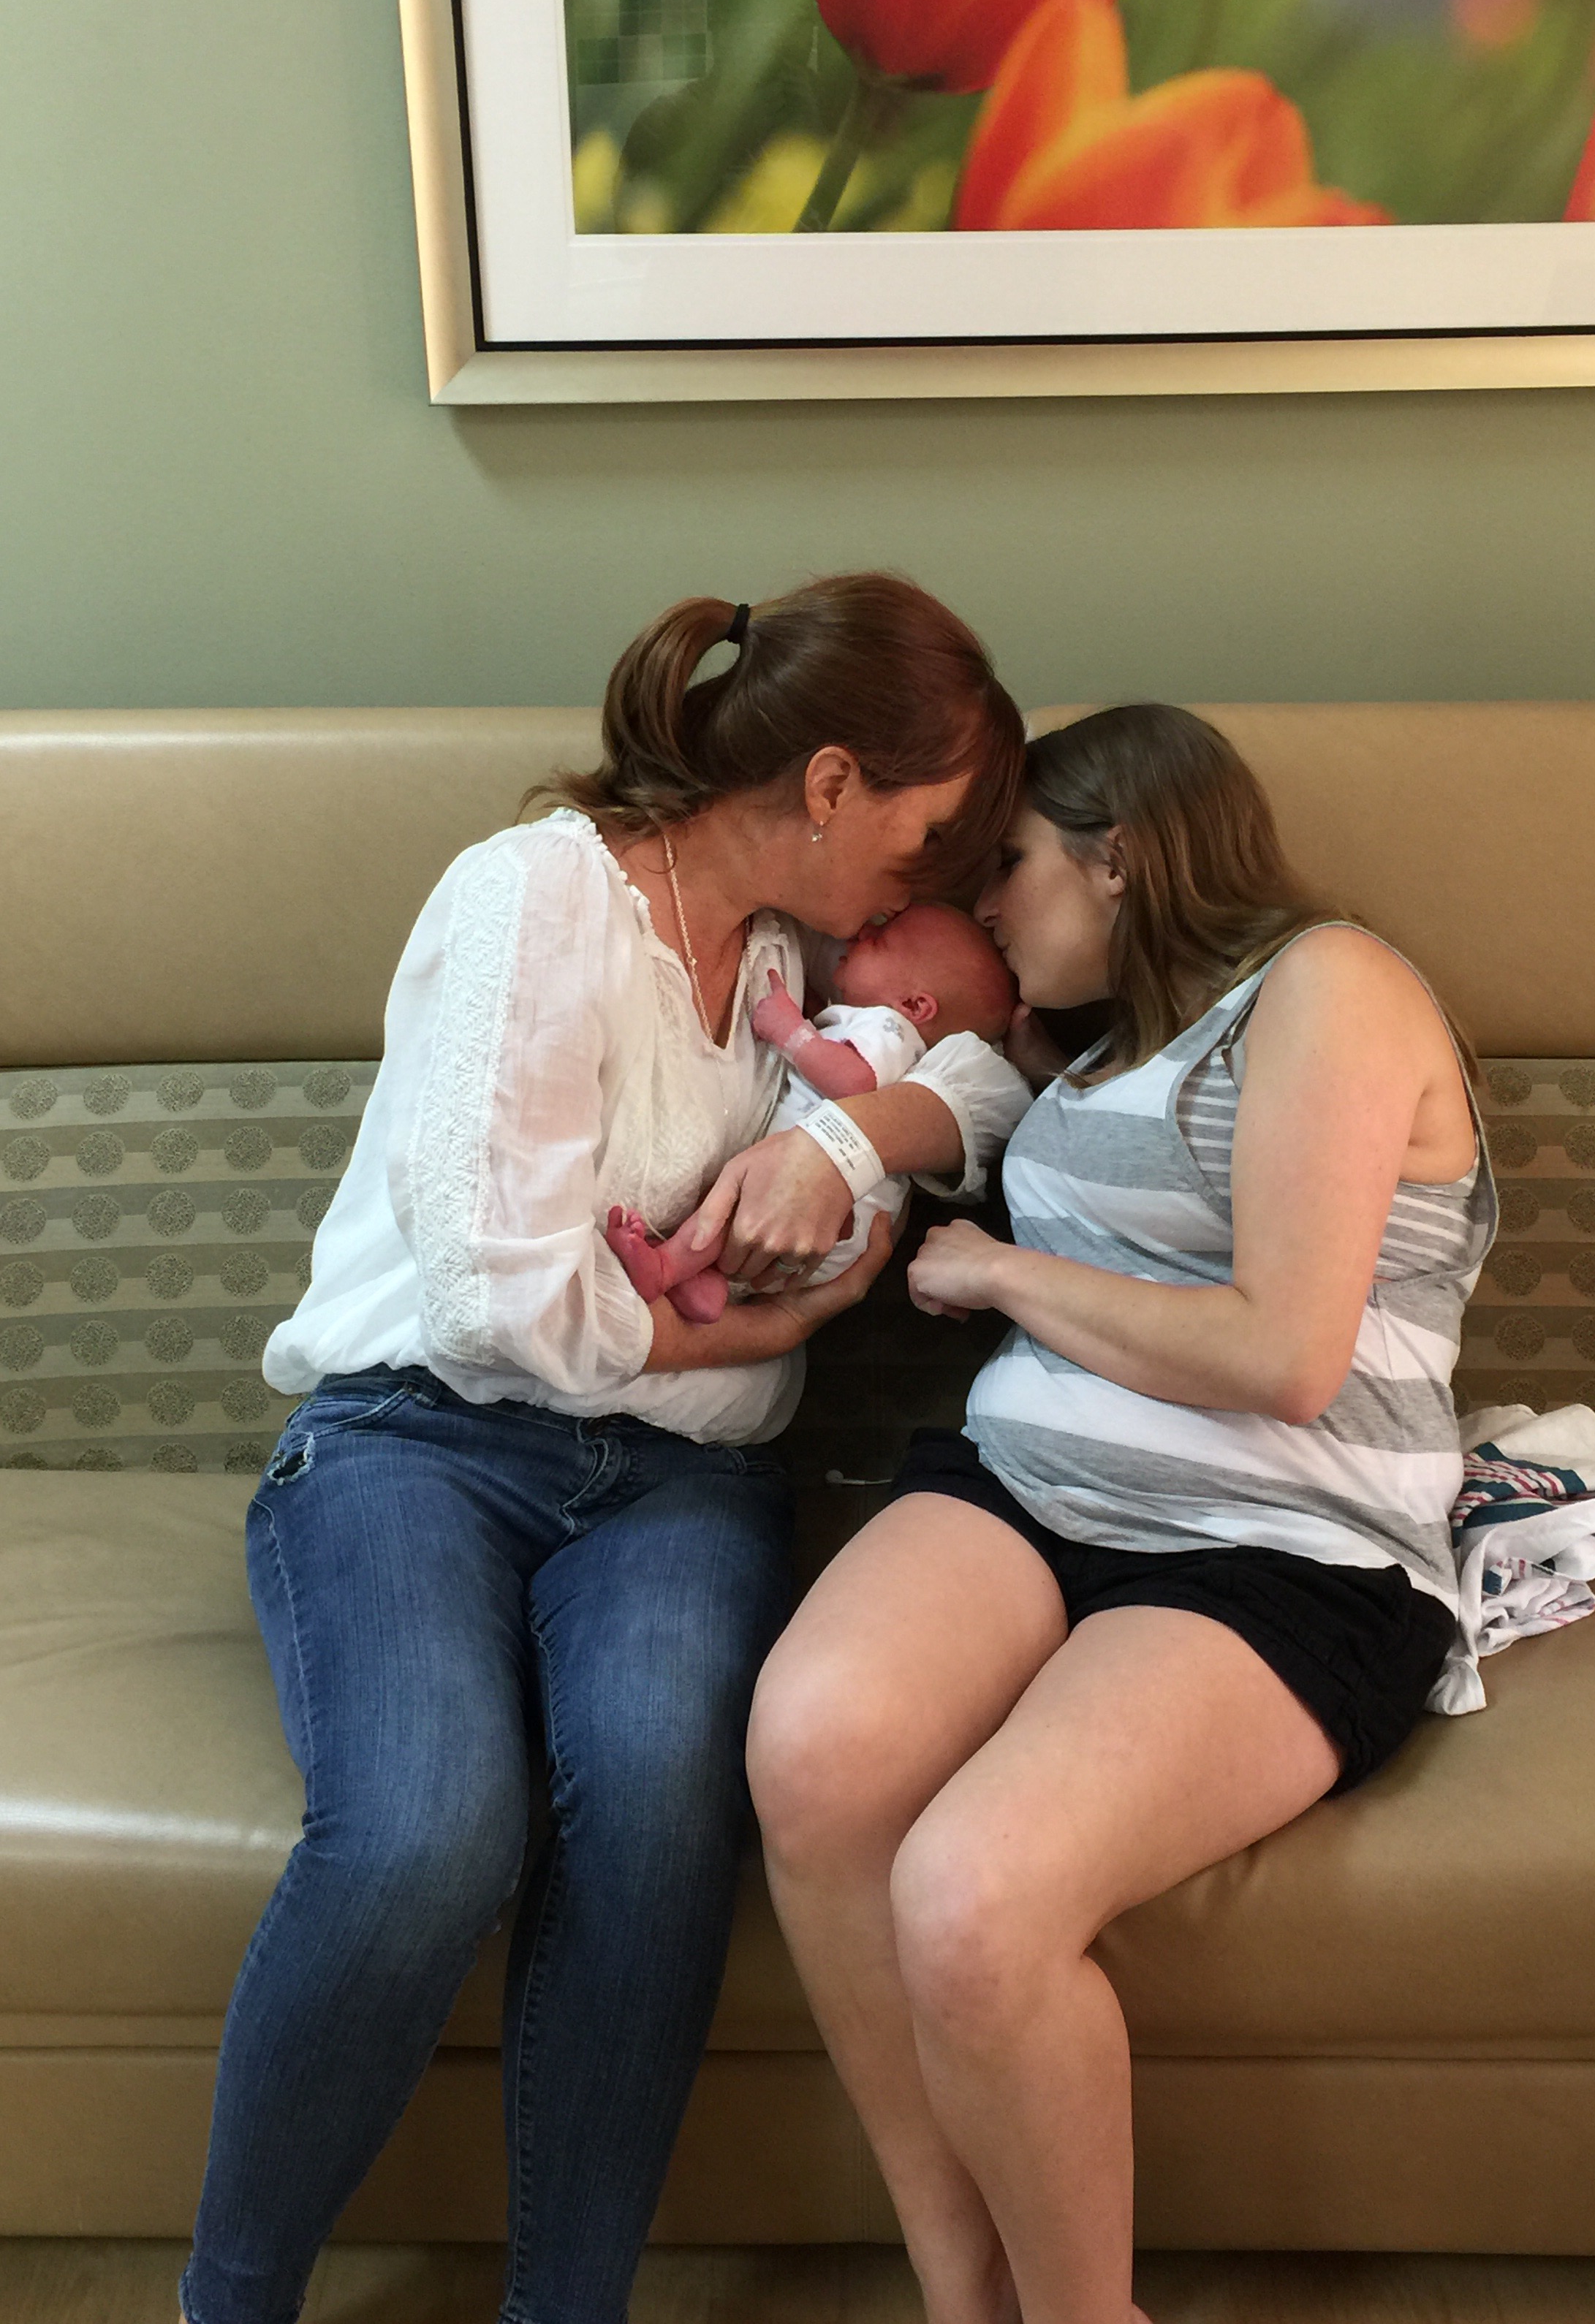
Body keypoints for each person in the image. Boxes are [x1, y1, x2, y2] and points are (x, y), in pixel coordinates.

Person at [177, 575, 1028, 2324]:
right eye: (928, 832)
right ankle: (229, 2301)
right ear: (829, 782)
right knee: (426, 1834)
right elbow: (493, 1305)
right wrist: (764, 1334)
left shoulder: (802, 955)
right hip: (420, 1439)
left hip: (682, 1487)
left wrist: (848, 1140)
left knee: (651, 1813)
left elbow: (991, 1081)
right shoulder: (533, 899)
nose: (932, 885)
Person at [746, 703, 1497, 2324]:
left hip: (1278, 1545)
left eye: (1009, 863)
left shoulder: (1328, 984)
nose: (985, 905)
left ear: (1122, 854)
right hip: (1029, 1483)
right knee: (810, 1750)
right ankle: (962, 2291)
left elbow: (1284, 1356)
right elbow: (935, 1077)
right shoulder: (1088, 1047)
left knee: (971, 1898)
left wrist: (1001, 1271)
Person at [606, 903, 1023, 1321]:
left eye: (880, 939)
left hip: (822, 1210)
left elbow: (854, 1083)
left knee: (733, 1204)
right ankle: (710, 1286)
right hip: (831, 1229)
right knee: (734, 1216)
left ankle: (667, 1267)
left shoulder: (890, 1029)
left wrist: (792, 1032)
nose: (862, 932)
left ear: (915, 1006)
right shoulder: (881, 1032)